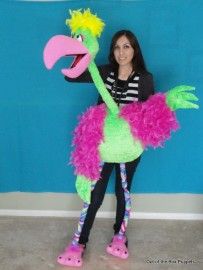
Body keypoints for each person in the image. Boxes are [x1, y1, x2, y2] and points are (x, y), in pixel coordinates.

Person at [60, 29, 154, 265]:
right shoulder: (104, 71)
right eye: (117, 47)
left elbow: (150, 115)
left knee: (123, 191)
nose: (121, 52)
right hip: (102, 145)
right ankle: (79, 242)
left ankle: (120, 236)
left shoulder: (144, 78)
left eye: (127, 47)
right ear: (112, 51)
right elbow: (71, 77)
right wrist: (81, 51)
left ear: (134, 50)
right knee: (95, 193)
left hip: (128, 147)